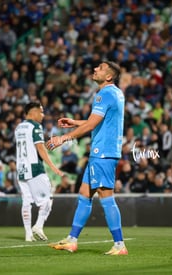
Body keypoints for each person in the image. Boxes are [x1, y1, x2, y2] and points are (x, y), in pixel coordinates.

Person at [46, 61, 128, 255]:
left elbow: (91, 126)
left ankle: (119, 245)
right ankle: (72, 240)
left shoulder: (105, 93)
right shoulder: (116, 92)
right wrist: (75, 122)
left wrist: (63, 138)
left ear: (109, 76)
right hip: (103, 152)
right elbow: (97, 121)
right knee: (84, 194)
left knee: (106, 198)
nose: (94, 69)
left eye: (100, 68)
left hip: (103, 153)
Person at [14, 102, 64, 242]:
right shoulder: (35, 127)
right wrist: (53, 167)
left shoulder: (18, 127)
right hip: (35, 168)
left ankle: (28, 234)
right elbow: (40, 149)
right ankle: (39, 225)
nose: (43, 115)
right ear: (33, 112)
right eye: (41, 112)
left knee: (27, 201)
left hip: (21, 168)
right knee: (48, 199)